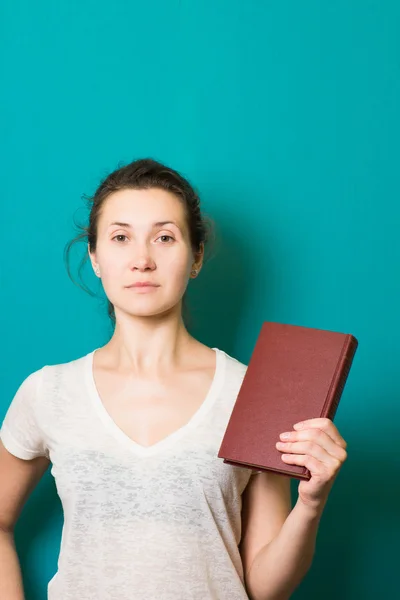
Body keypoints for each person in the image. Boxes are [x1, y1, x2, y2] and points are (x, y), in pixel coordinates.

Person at [0, 158, 348, 600]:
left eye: (165, 237)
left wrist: (311, 504)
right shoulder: (49, 392)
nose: (143, 259)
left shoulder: (253, 393)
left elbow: (265, 587)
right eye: (121, 238)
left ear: (196, 256)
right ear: (95, 257)